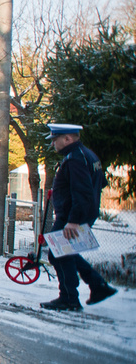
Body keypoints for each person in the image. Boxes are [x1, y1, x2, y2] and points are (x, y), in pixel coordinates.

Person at [40, 123, 117, 312]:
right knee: (65, 253)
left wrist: (73, 220)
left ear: (67, 139)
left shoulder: (75, 159)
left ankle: (69, 298)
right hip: (78, 214)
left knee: (59, 254)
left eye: (55, 140)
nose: (53, 145)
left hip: (71, 216)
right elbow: (99, 183)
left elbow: (82, 191)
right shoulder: (87, 155)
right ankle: (98, 286)